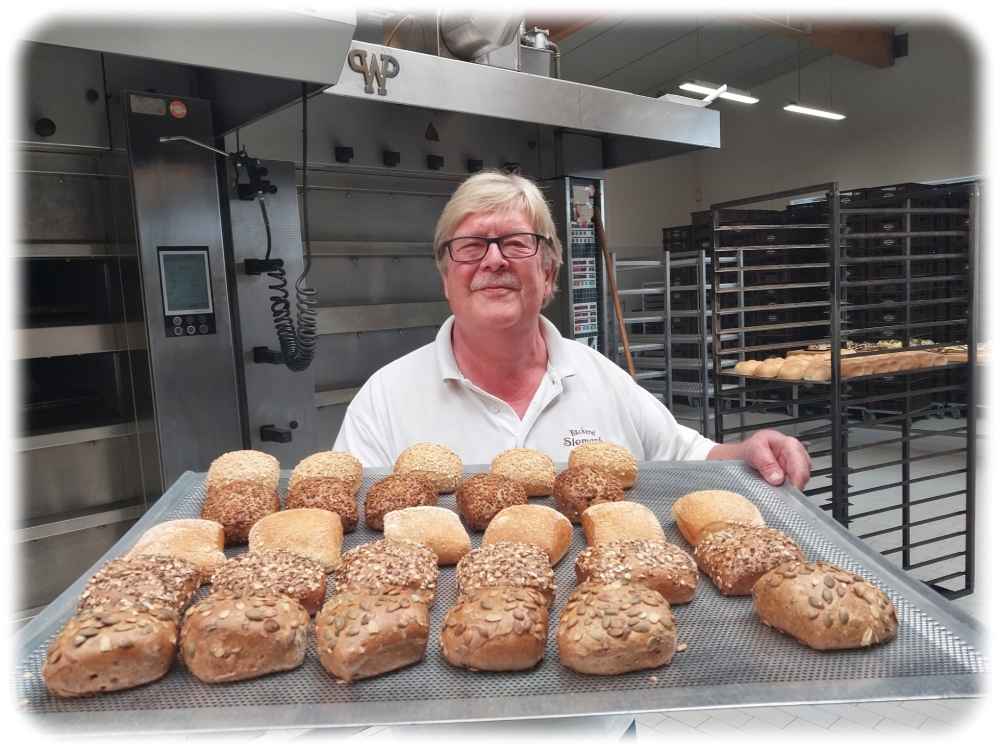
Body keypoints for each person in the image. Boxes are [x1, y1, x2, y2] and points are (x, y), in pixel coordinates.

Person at [334, 170, 811, 490]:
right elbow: (347, 517)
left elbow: (683, 452)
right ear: (445, 278)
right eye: (472, 245)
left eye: (516, 243)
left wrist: (748, 451)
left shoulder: (600, 378)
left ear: (548, 273)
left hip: (602, 630)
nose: (494, 260)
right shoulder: (386, 399)